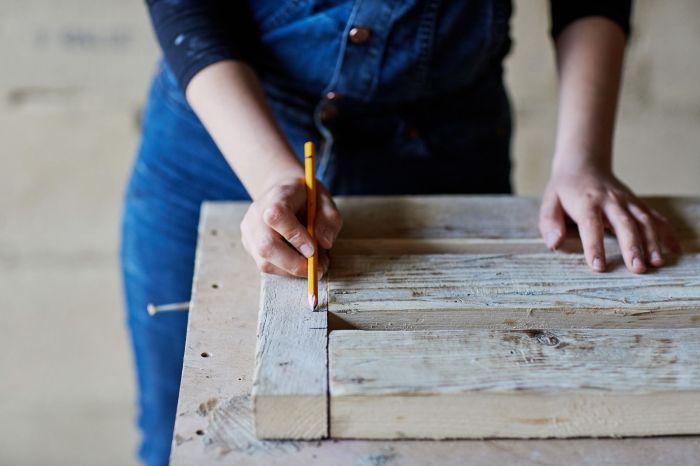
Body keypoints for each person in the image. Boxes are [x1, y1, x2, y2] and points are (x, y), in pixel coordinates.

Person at [122, 0, 679, 464]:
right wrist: (271, 174)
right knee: (186, 438)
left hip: (443, 148)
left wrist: (583, 159)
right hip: (222, 131)